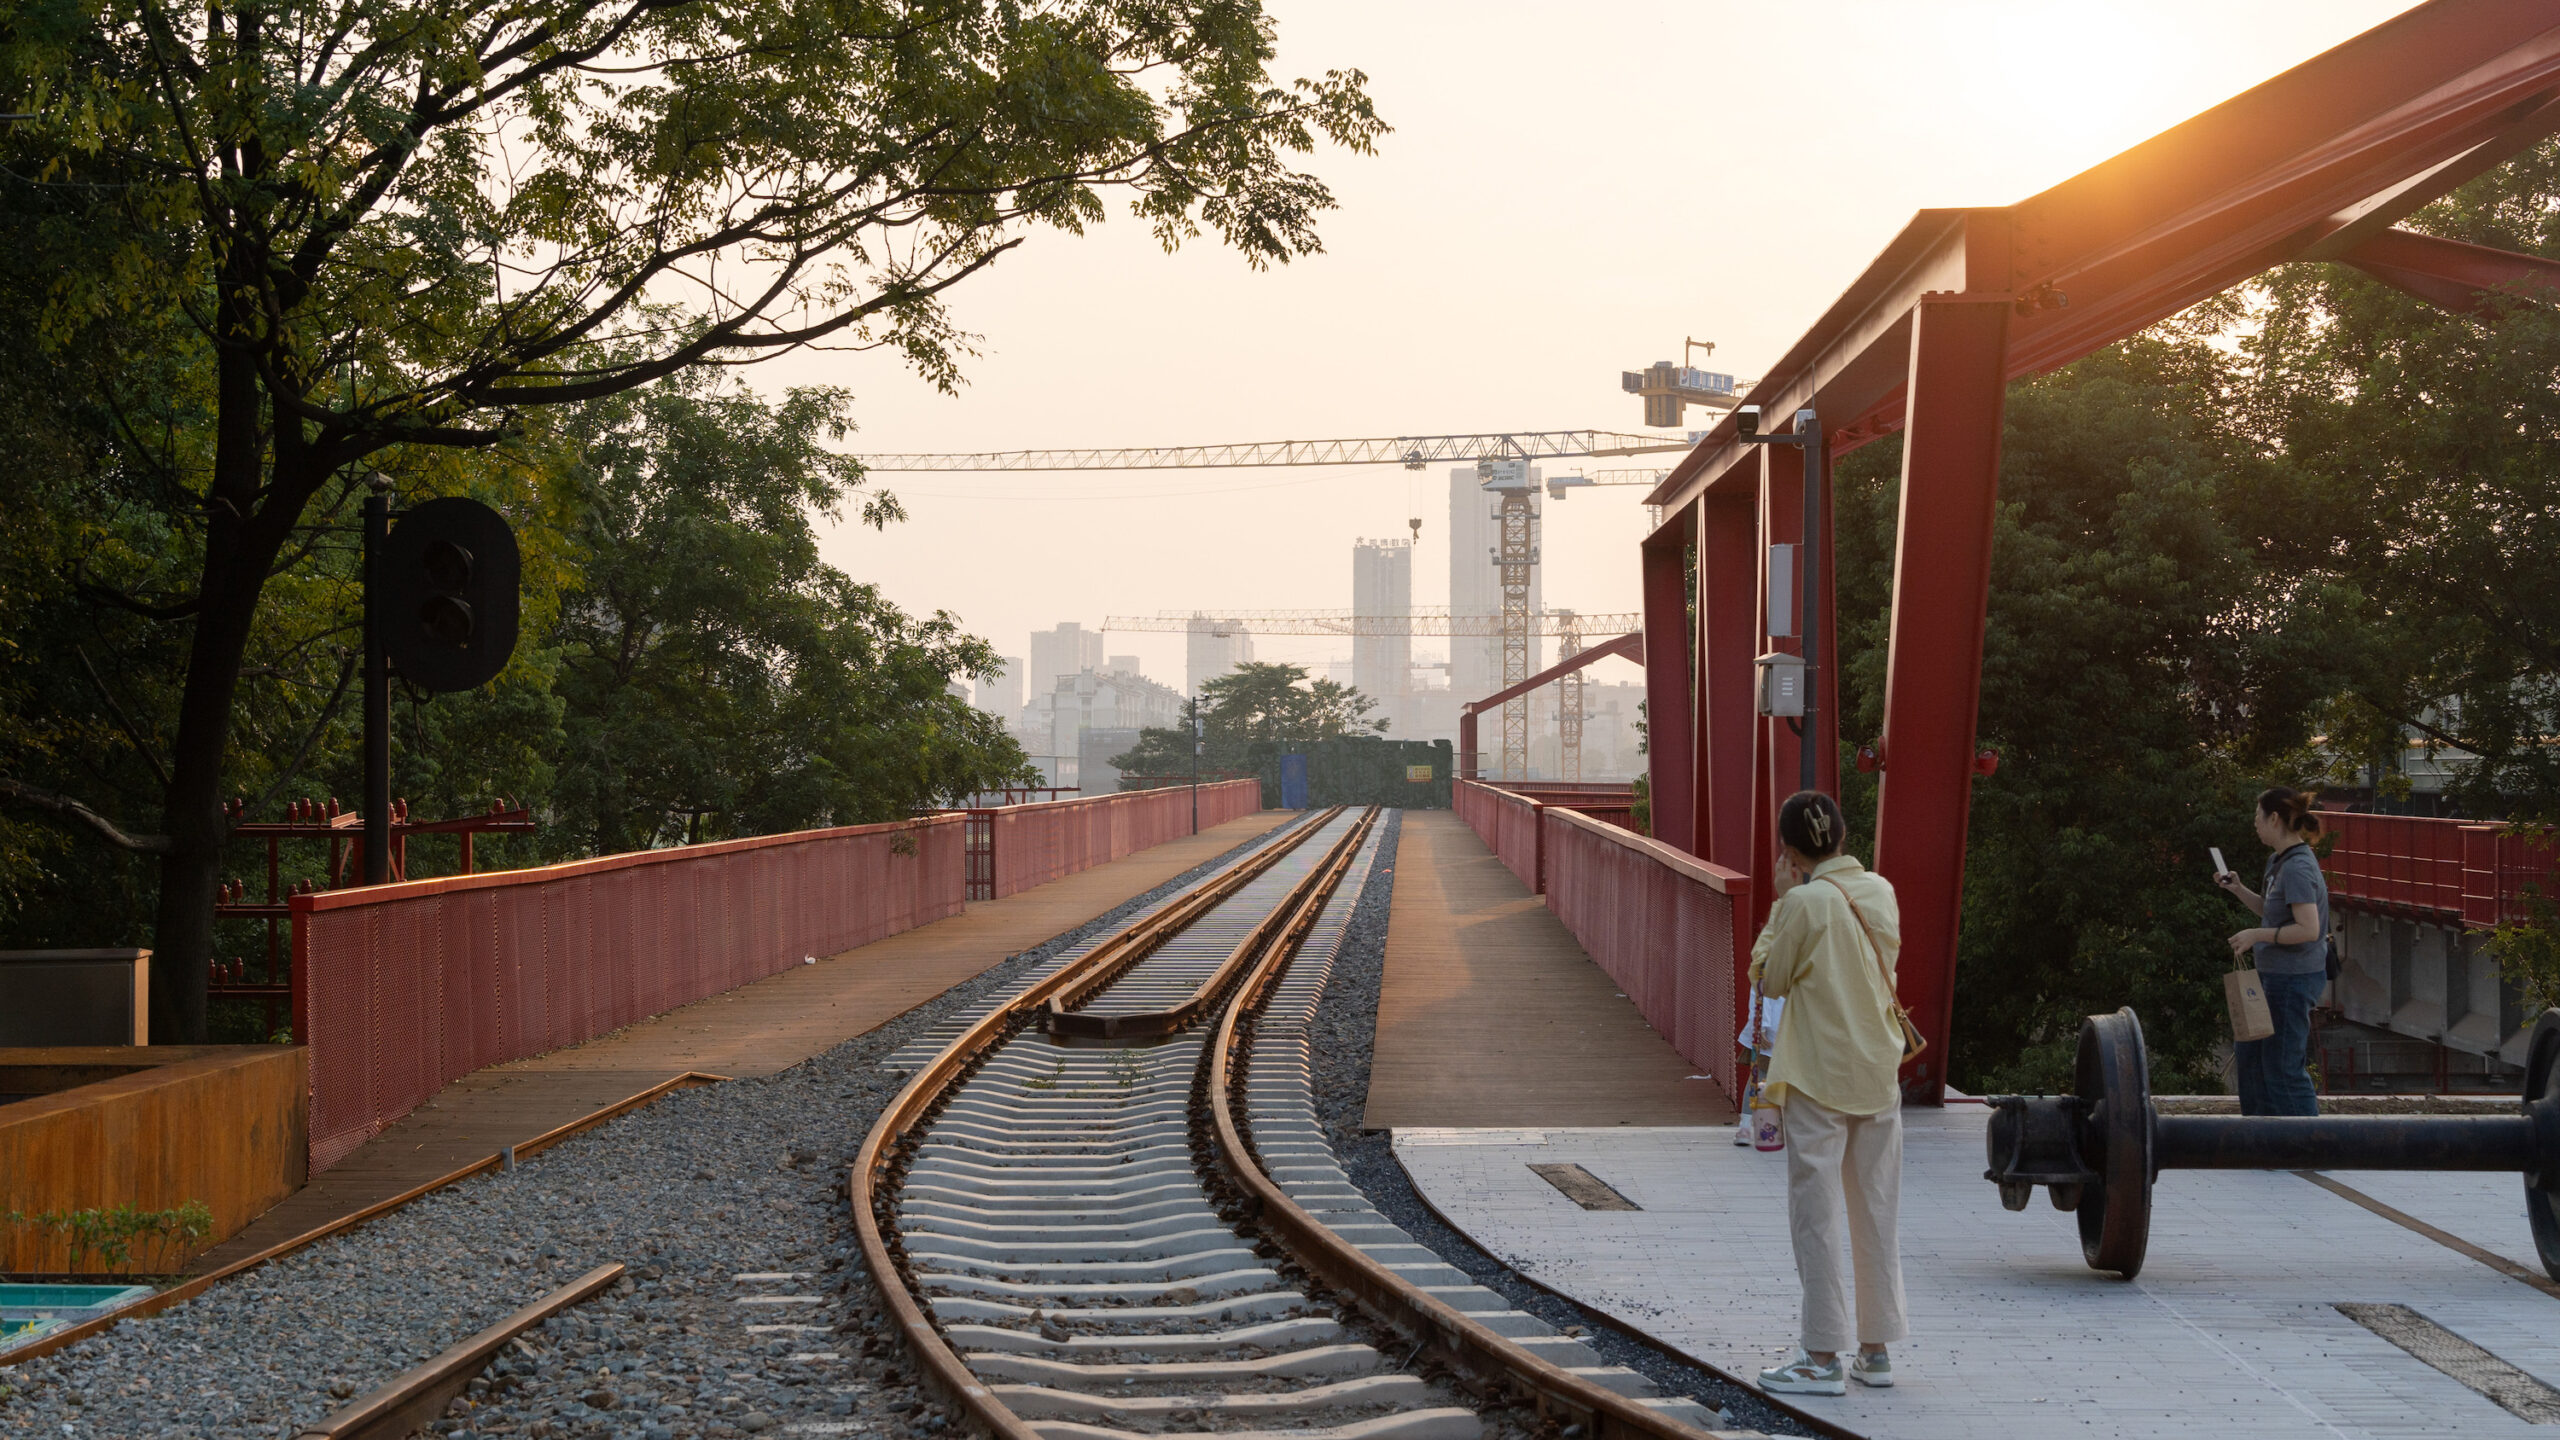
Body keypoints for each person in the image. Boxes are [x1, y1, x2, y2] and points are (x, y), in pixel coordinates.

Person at [1747, 790, 1908, 1397]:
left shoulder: (1803, 904)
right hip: (1877, 1069)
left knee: (1817, 1216)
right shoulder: (1881, 891)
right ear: (1842, 836)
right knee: (1876, 1209)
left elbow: (1770, 974)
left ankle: (1820, 1357)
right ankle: (1875, 1349)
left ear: (1789, 849)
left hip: (1817, 1074)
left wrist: (1781, 902)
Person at [2213, 786, 2331, 1117]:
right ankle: (2260, 1140)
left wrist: (2256, 935)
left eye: (2257, 816)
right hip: (2272, 976)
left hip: (2292, 980)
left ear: (2274, 818)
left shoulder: (2297, 867)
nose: (2255, 823)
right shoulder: (2278, 862)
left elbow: (2308, 929)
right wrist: (2238, 889)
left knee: (2282, 1067)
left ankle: (2303, 1147)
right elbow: (2273, 911)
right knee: (2251, 1060)